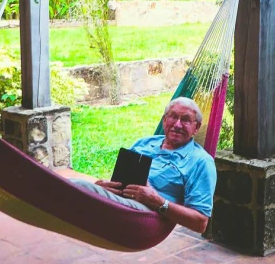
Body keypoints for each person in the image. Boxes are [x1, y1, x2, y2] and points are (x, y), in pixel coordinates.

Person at [72, 97, 217, 233]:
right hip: (121, 201)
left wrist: (158, 202)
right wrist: (101, 186)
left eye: (185, 120)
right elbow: (118, 179)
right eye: (173, 117)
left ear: (196, 128)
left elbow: (200, 223)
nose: (177, 124)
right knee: (77, 187)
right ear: (164, 120)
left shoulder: (201, 162)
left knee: (78, 187)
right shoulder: (145, 143)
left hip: (146, 216)